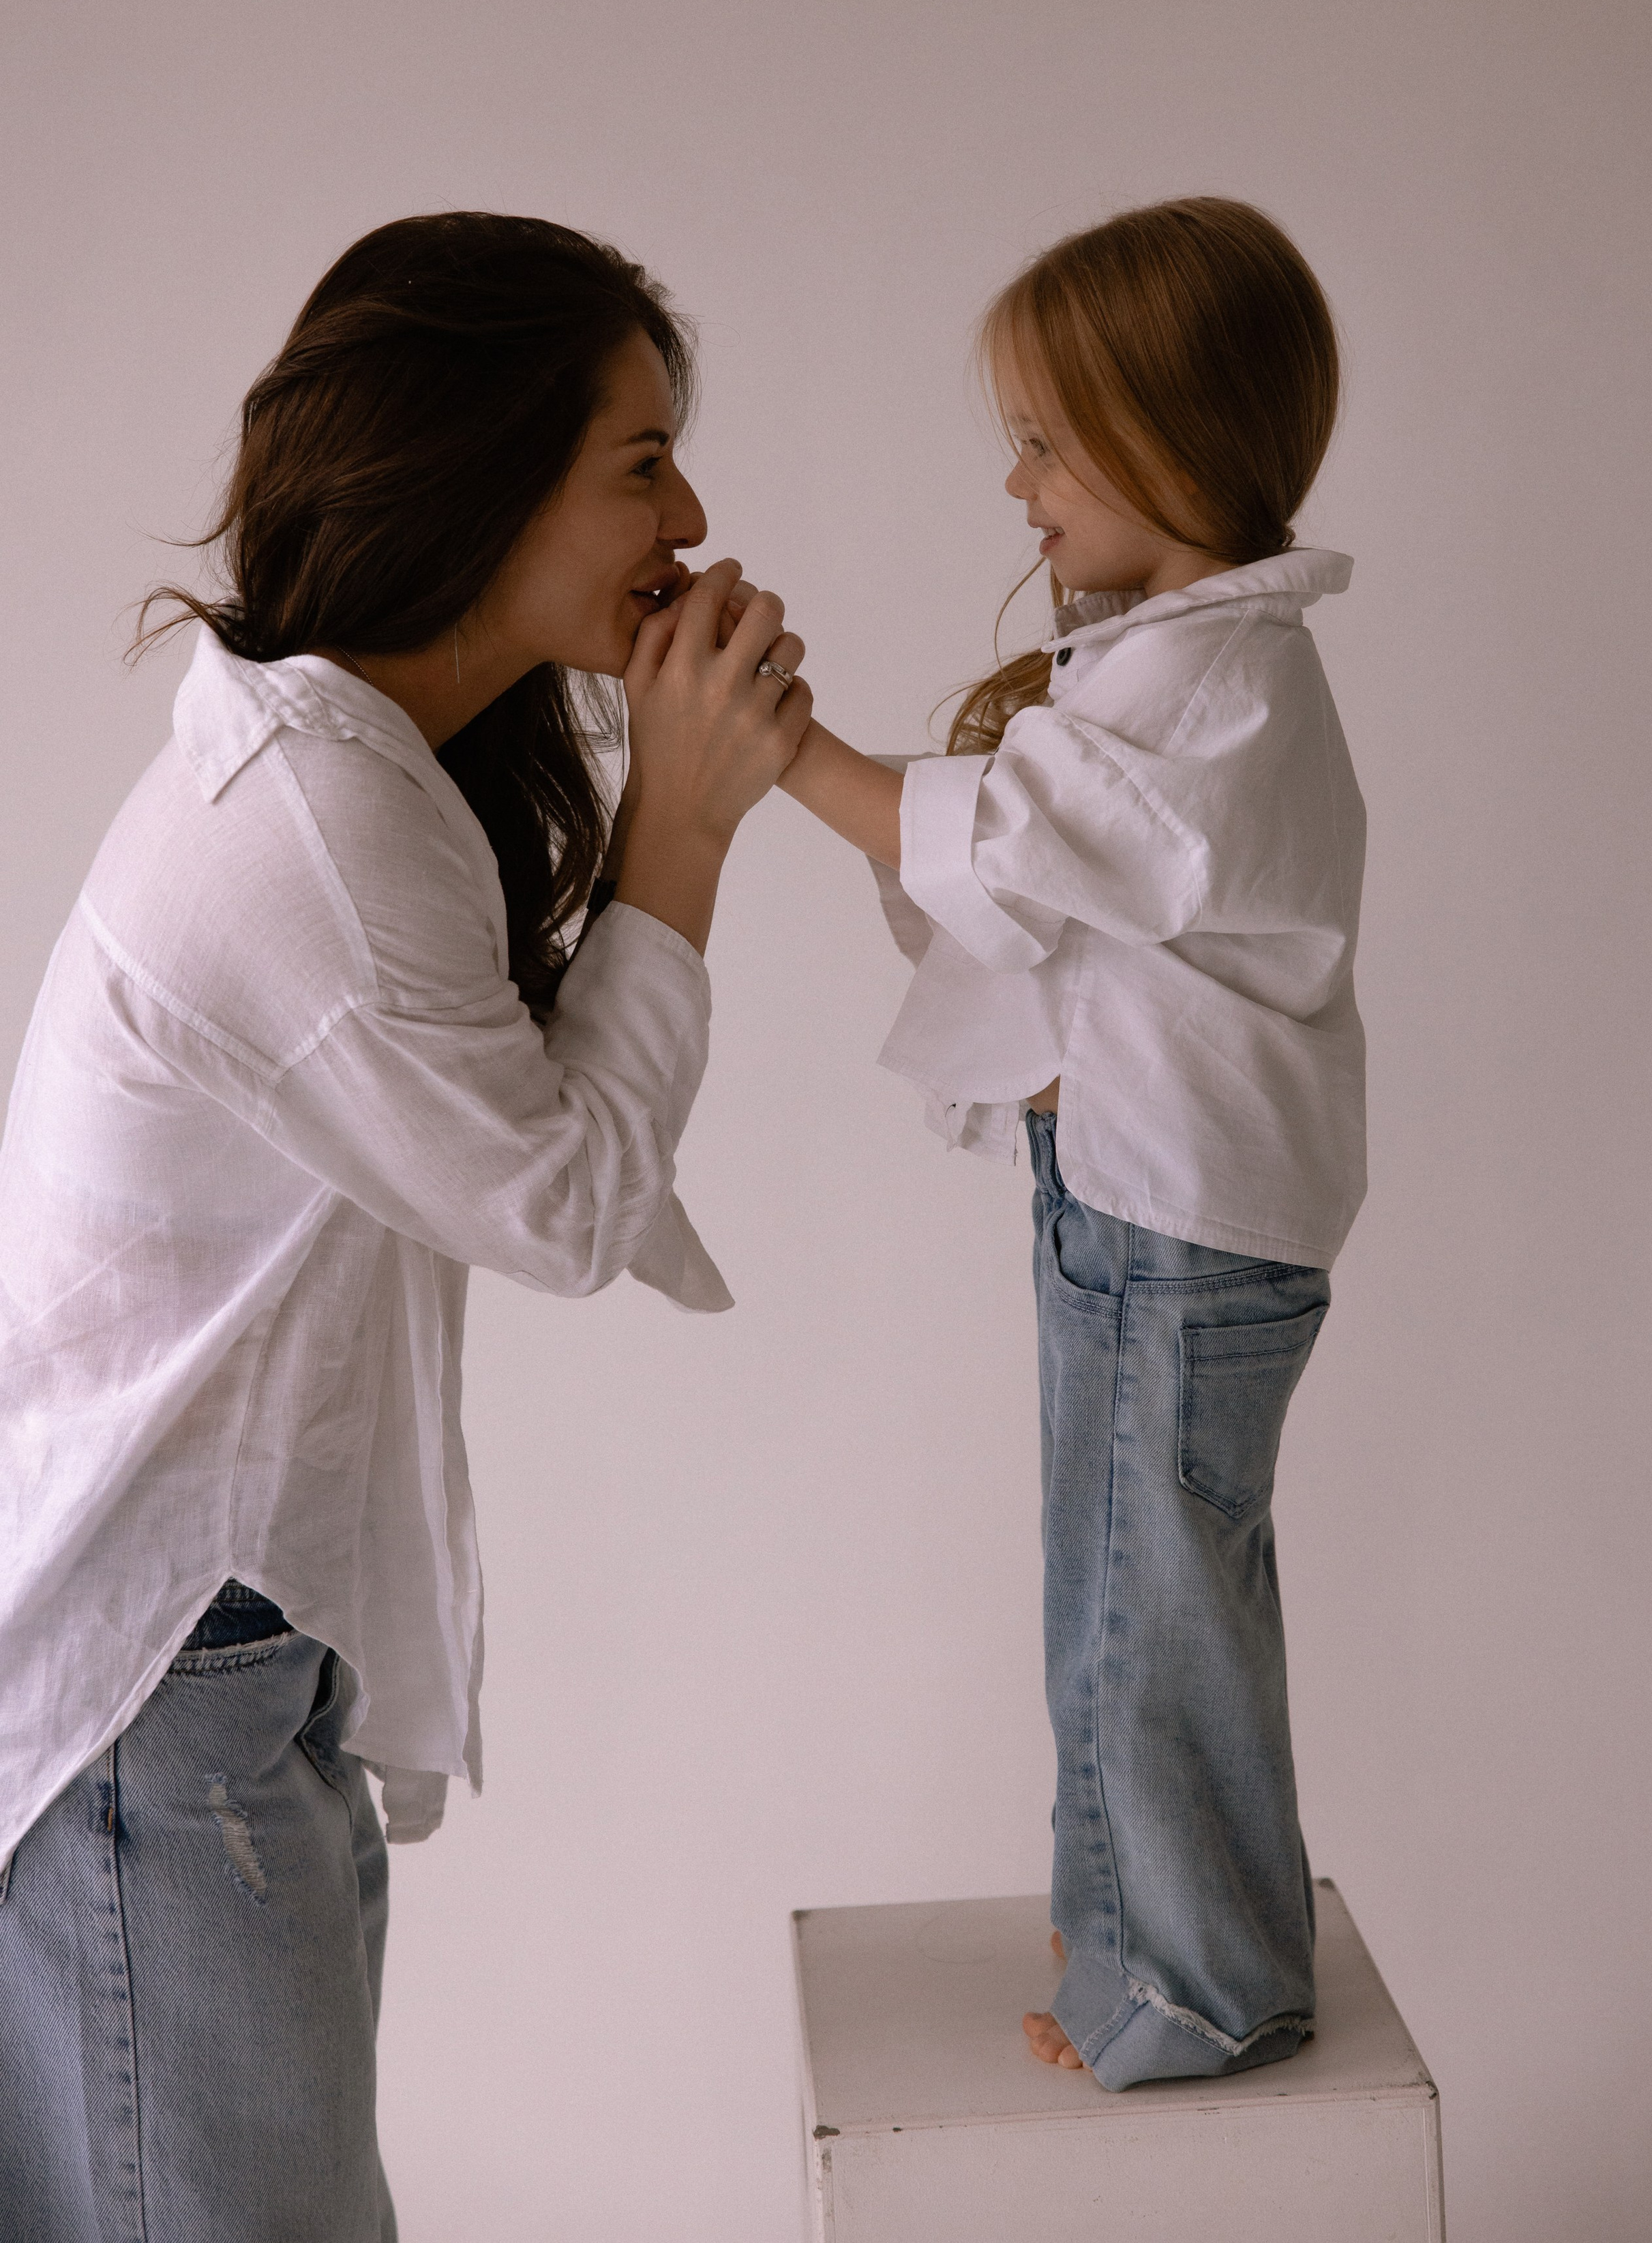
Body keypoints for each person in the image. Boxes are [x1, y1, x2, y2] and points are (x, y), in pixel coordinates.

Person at [0, 212, 811, 2238]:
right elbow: (561, 1203)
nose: (692, 510)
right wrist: (686, 828)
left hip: (214, 1671)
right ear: (478, 472)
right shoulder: (319, 823)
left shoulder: (357, 772)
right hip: (153, 1701)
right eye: (639, 459)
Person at [776, 198, 1366, 2089]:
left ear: (1168, 444)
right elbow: (1010, 890)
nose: (1016, 483)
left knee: (1145, 1600)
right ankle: (1146, 1931)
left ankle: (1188, 1985)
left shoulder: (1212, 685)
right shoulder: (1169, 670)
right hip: (1133, 1202)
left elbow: (1007, 852)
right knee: (1140, 1586)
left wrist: (774, 743)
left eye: (1044, 437)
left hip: (1166, 1219)